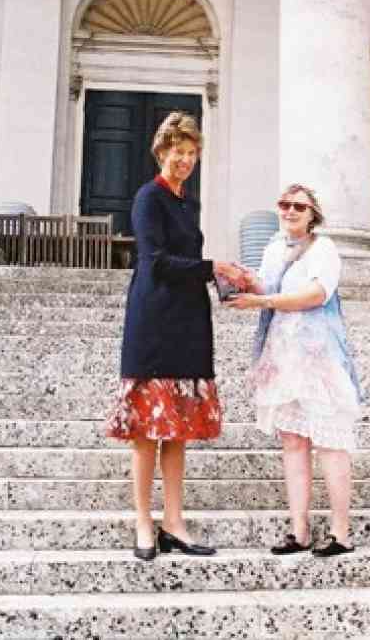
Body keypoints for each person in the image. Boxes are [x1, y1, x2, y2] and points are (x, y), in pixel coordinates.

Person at [105, 111, 246, 561]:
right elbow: (156, 261)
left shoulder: (189, 203)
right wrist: (213, 267)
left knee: (178, 431)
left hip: (188, 318)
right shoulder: (149, 197)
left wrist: (221, 279)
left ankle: (174, 521)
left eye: (191, 154)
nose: (185, 161)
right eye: (177, 153)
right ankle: (144, 522)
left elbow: (186, 260)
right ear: (161, 153)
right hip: (153, 321)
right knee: (147, 430)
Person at [225, 184, 362, 557]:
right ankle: (299, 531)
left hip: (318, 356)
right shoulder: (273, 248)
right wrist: (243, 281)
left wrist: (264, 299)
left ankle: (341, 533)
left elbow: (318, 294)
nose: (289, 211)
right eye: (284, 205)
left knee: (331, 442)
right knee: (293, 441)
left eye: (298, 206)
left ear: (313, 213)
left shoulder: (325, 249)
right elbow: (267, 286)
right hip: (283, 354)